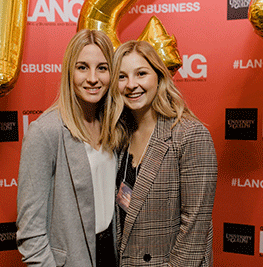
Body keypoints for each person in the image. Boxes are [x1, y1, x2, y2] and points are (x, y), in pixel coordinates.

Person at [101, 40, 217, 266]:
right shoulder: (119, 137)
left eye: (141, 73)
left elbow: (194, 228)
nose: (131, 85)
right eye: (122, 77)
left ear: (159, 77)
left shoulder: (189, 135)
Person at [16, 29, 117, 267]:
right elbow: (30, 232)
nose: (93, 78)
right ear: (69, 72)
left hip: (111, 253)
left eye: (102, 68)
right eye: (82, 67)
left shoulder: (115, 127)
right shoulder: (46, 131)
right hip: (72, 258)